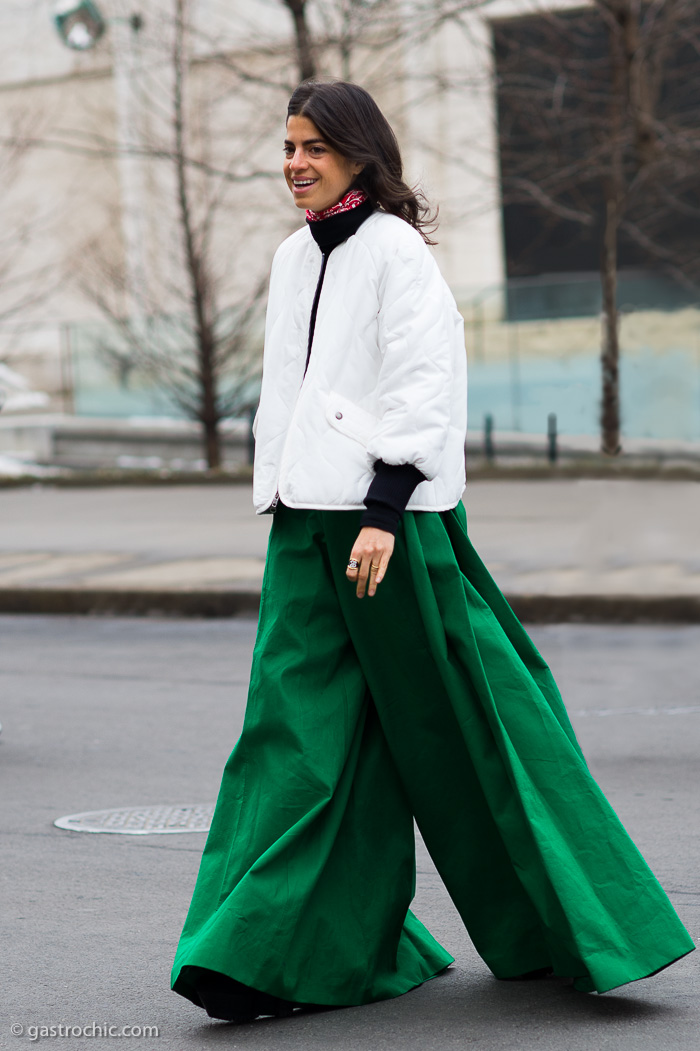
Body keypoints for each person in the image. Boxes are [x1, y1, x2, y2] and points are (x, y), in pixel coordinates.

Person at [170, 80, 694, 1023]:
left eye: (313, 148)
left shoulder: (395, 250)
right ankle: (264, 951)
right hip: (305, 527)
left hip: (392, 524)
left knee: (473, 726)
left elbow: (422, 381)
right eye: (287, 147)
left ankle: (578, 925)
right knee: (293, 735)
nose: (295, 163)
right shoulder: (295, 256)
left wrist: (382, 506)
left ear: (360, 155)